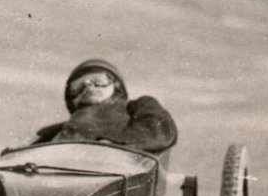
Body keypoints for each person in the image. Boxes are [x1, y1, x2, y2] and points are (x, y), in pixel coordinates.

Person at [31, 59, 177, 154]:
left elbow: (159, 133)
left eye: (98, 81)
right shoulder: (53, 131)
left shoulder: (138, 105)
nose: (88, 87)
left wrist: (111, 146)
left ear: (116, 85)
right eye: (77, 87)